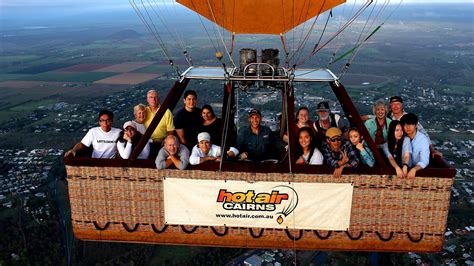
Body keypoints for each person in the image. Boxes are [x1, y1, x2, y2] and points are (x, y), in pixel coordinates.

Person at [400, 113, 430, 178]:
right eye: (405, 125)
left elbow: (424, 160)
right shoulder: (400, 137)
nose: (408, 127)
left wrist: (414, 169)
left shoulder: (423, 139)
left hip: (418, 172)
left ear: (416, 125)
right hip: (402, 171)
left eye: (411, 124)